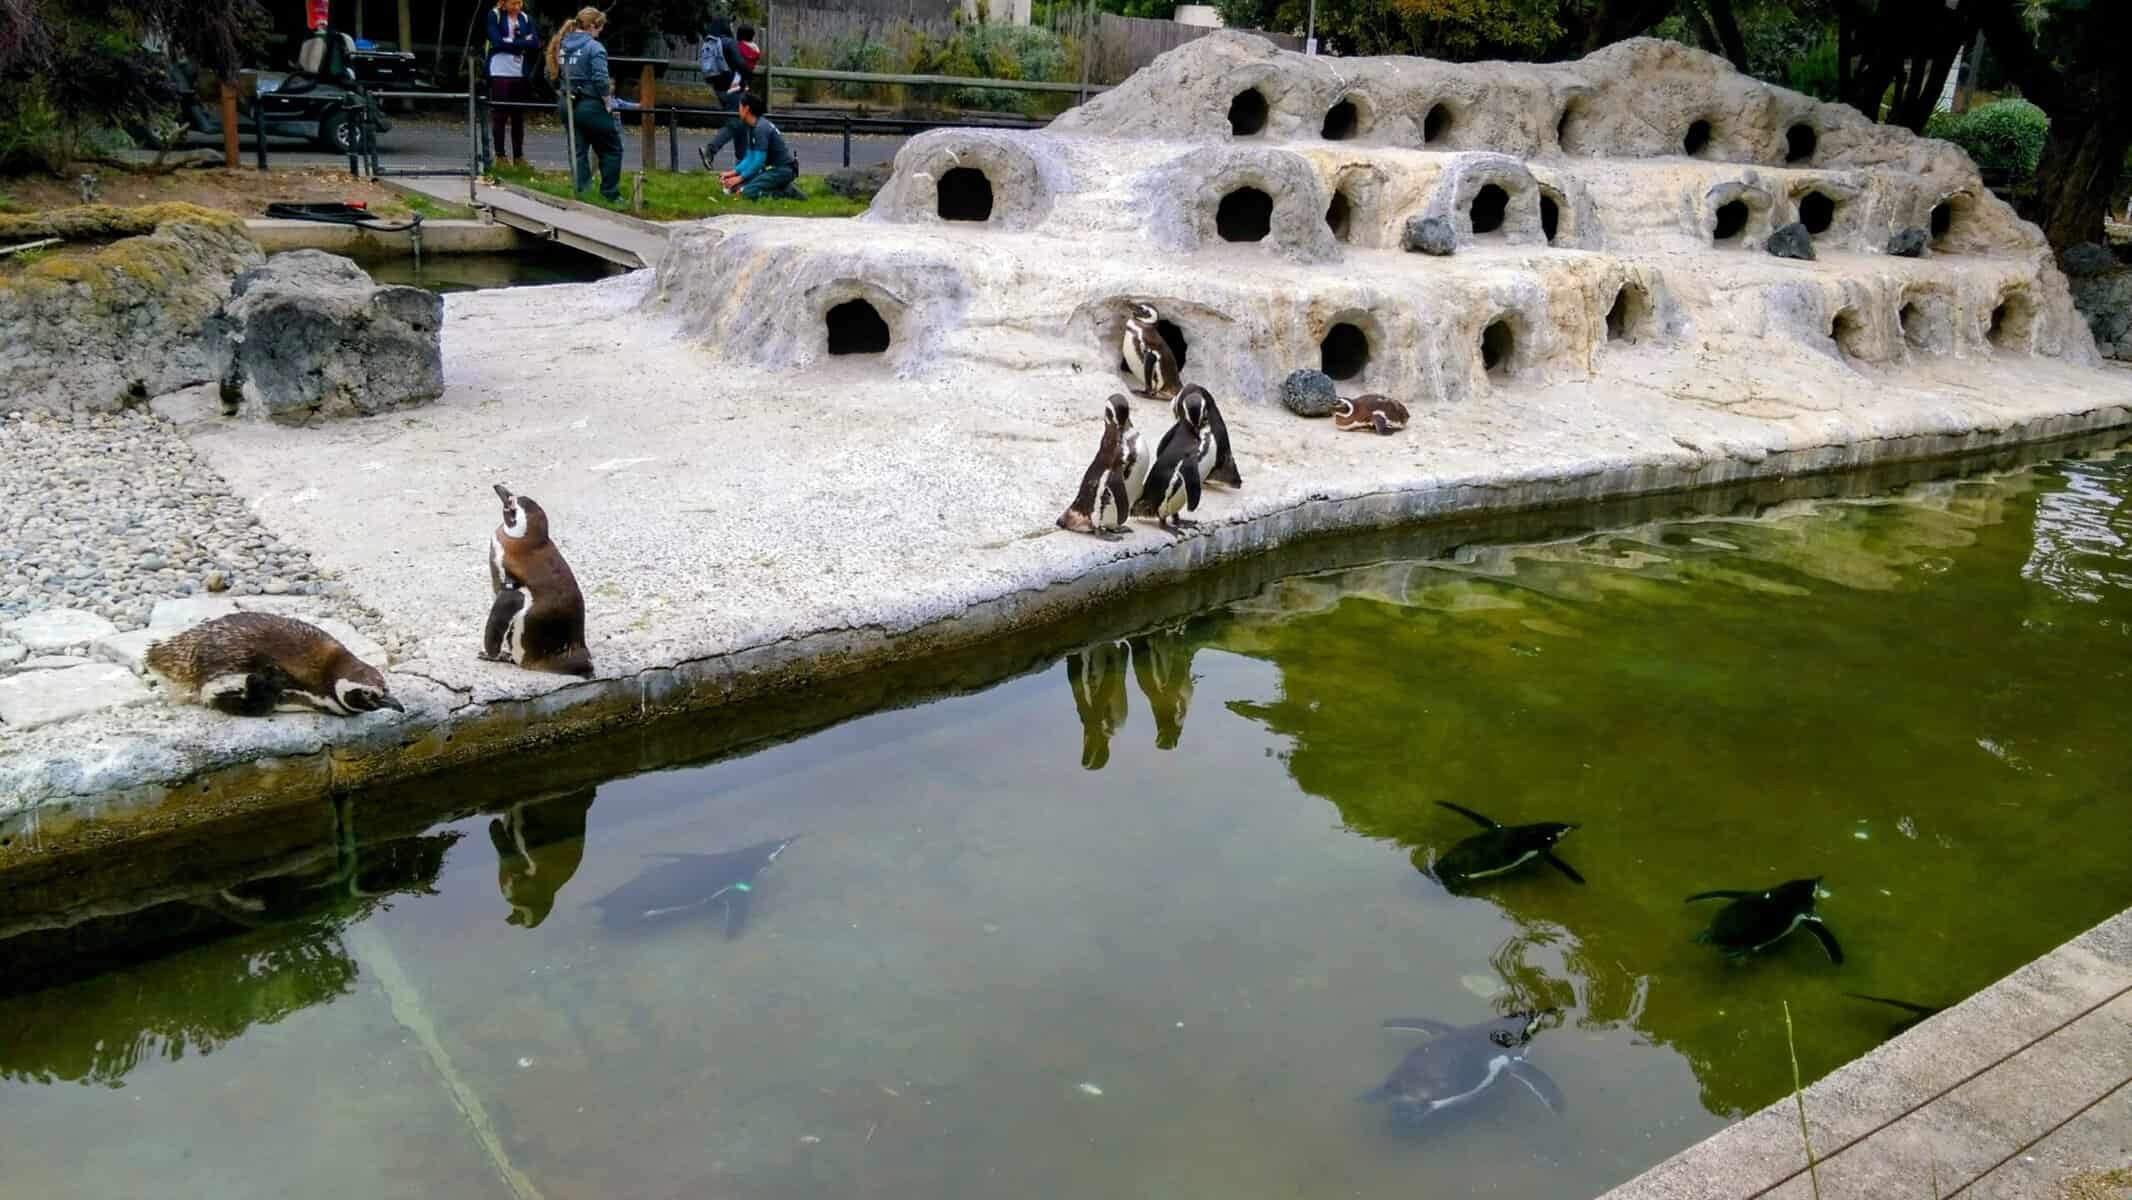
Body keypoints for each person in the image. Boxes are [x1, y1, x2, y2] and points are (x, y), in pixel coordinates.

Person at [547, 7, 622, 202]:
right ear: (592, 27)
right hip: (591, 104)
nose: (600, 33)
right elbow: (601, 79)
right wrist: (607, 103)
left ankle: (583, 193)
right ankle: (610, 194)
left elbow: (549, 74)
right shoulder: (594, 47)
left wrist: (561, 91)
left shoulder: (561, 43)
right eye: (600, 29)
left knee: (578, 150)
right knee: (611, 148)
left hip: (566, 103)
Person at [719, 92, 804, 201]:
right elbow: (749, 158)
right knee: (736, 187)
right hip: (771, 170)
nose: (738, 109)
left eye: (740, 106)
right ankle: (778, 186)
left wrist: (739, 178)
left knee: (745, 194)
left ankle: (787, 192)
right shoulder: (751, 127)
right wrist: (732, 173)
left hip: (783, 170)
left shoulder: (761, 128)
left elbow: (758, 162)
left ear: (746, 109)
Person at [484, 0, 539, 168]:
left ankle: (518, 156)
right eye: (513, 3)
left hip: (518, 70)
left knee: (518, 115)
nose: (517, 7)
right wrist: (521, 42)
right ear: (503, 3)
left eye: (519, 3)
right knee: (500, 114)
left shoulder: (525, 18)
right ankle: (500, 156)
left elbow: (535, 43)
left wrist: (510, 42)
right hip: (499, 70)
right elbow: (496, 41)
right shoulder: (495, 15)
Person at [696, 17, 749, 169]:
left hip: (719, 89)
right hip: (734, 87)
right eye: (731, 24)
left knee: (741, 122)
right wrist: (747, 76)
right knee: (735, 123)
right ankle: (710, 150)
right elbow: (740, 65)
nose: (732, 27)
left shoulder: (710, 43)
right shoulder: (728, 42)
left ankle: (742, 162)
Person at [734, 23, 762, 91]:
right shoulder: (755, 47)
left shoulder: (737, 46)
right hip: (749, 73)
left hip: (737, 74)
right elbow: (758, 56)